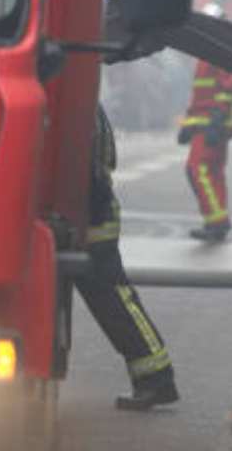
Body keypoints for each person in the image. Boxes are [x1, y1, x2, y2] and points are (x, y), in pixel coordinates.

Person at [75, 105, 180, 410]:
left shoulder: (82, 109)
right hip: (90, 212)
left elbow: (92, 167)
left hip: (93, 216)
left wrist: (89, 213)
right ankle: (154, 378)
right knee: (112, 301)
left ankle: (158, 378)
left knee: (113, 300)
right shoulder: (91, 107)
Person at [178, 3, 232, 242]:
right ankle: (217, 220)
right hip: (206, 124)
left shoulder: (221, 50)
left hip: (212, 126)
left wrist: (218, 118)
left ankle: (216, 221)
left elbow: (227, 88)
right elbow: (200, 95)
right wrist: (188, 123)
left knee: (198, 170)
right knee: (212, 172)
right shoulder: (209, 52)